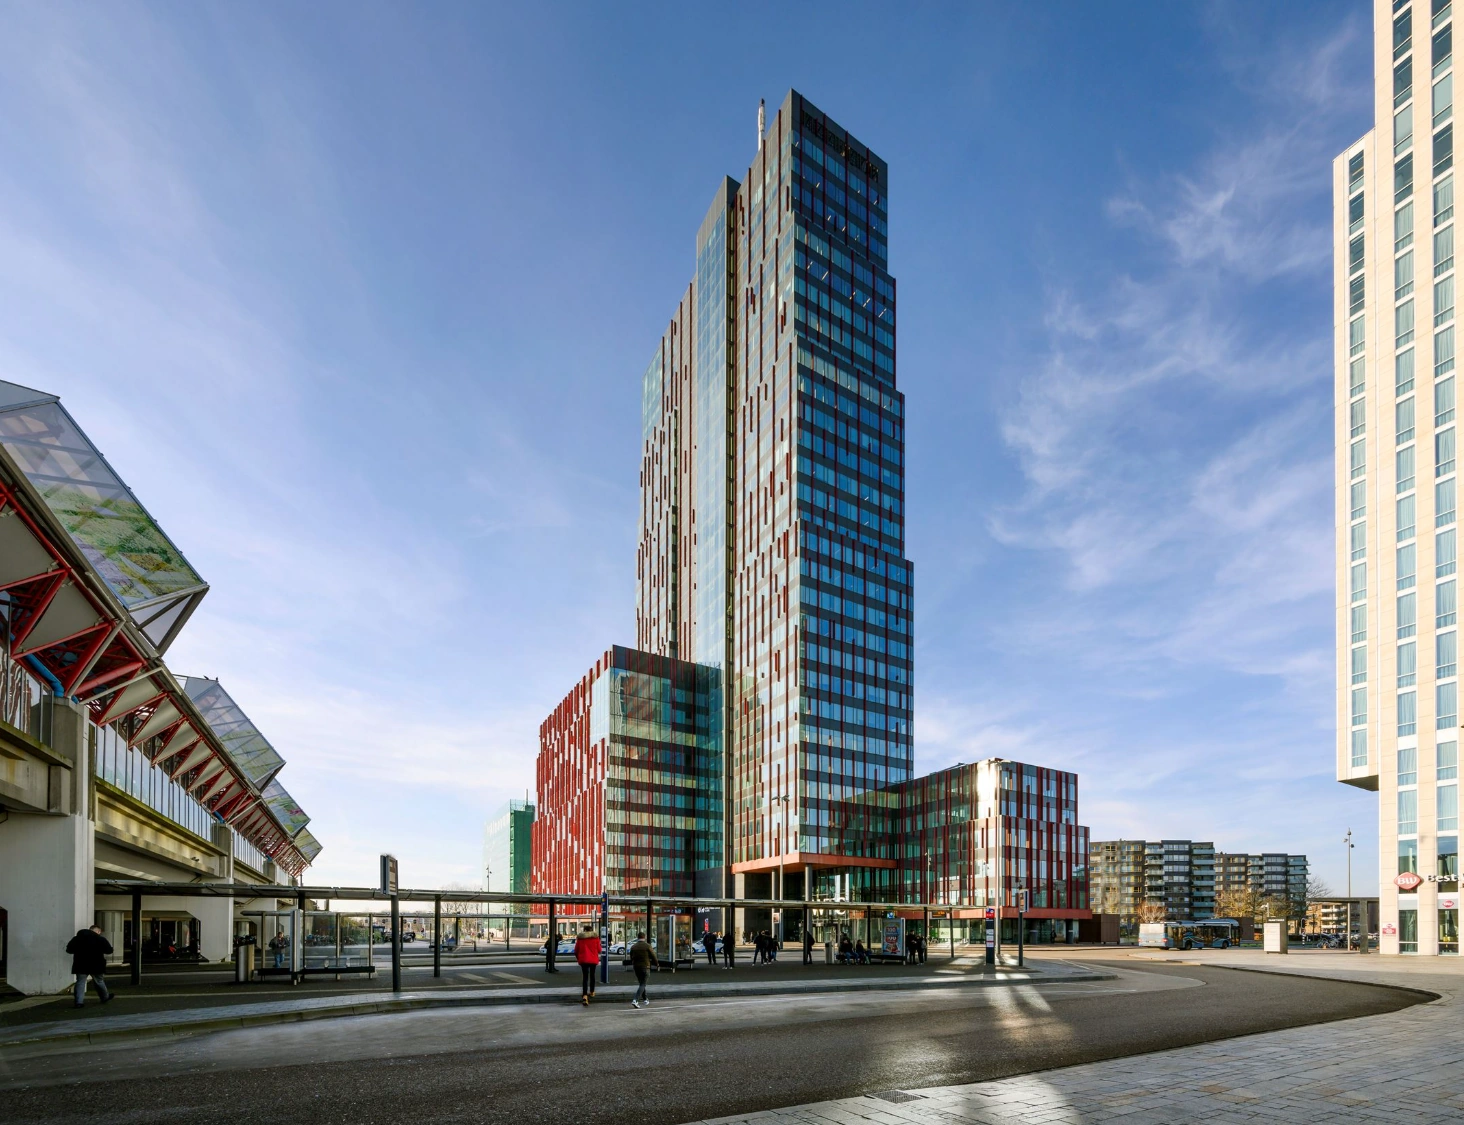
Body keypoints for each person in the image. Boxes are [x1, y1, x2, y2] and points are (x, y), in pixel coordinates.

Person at [66, 924, 114, 1008]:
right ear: (98, 931)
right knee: (99, 981)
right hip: (97, 964)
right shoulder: (100, 939)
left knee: (80, 982)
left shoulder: (77, 939)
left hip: (80, 964)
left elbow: (69, 950)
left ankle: (79, 1002)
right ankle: (105, 997)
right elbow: (109, 951)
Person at [628, 930, 659, 1008]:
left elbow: (631, 957)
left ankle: (645, 999)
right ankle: (635, 1000)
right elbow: (653, 955)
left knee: (641, 983)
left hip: (636, 967)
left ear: (637, 937)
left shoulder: (633, 946)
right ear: (644, 937)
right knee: (643, 984)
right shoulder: (647, 946)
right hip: (645, 966)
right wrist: (657, 964)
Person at [573, 923, 601, 1006]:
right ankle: (592, 992)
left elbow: (576, 951)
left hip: (583, 960)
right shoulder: (596, 938)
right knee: (592, 975)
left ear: (584, 930)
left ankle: (585, 995)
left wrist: (579, 958)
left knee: (585, 977)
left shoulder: (580, 939)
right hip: (593, 960)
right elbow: (599, 950)